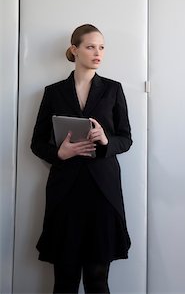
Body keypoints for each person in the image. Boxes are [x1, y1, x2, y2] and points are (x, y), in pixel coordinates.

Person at [31, 24, 132, 294]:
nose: (98, 52)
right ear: (75, 50)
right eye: (90, 46)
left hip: (103, 192)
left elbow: (126, 138)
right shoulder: (53, 92)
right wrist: (59, 153)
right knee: (64, 281)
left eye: (101, 47)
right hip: (66, 192)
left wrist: (106, 140)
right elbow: (37, 142)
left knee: (98, 282)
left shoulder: (113, 89)